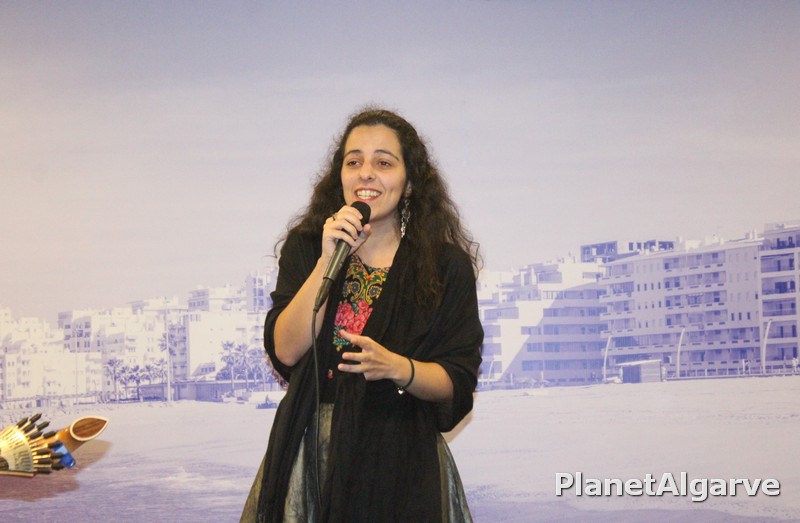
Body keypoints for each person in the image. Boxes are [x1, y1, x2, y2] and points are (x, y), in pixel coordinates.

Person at [241, 107, 484, 522]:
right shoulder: (308, 247)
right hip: (308, 458)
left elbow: (456, 381)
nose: (366, 173)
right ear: (340, 176)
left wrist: (398, 367)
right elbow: (285, 349)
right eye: (354, 162)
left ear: (409, 183)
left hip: (400, 462)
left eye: (383, 163)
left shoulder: (445, 267)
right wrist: (327, 261)